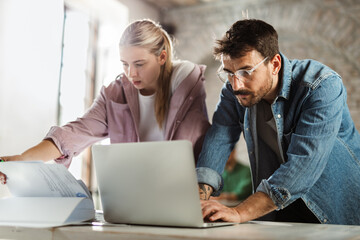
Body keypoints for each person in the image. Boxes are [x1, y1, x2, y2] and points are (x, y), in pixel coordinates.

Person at [0, 19, 210, 181]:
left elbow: (193, 141)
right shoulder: (115, 94)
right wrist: (23, 159)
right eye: (124, 64)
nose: (131, 73)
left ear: (162, 57)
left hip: (184, 193)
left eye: (139, 64)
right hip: (134, 196)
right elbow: (73, 134)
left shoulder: (187, 82)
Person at [197, 19, 360, 225]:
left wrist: (239, 213)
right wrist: (198, 200)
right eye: (229, 73)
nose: (236, 84)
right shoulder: (234, 92)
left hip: (334, 210)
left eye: (246, 72)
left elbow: (304, 164)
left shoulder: (321, 86)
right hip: (276, 209)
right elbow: (219, 138)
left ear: (274, 64)